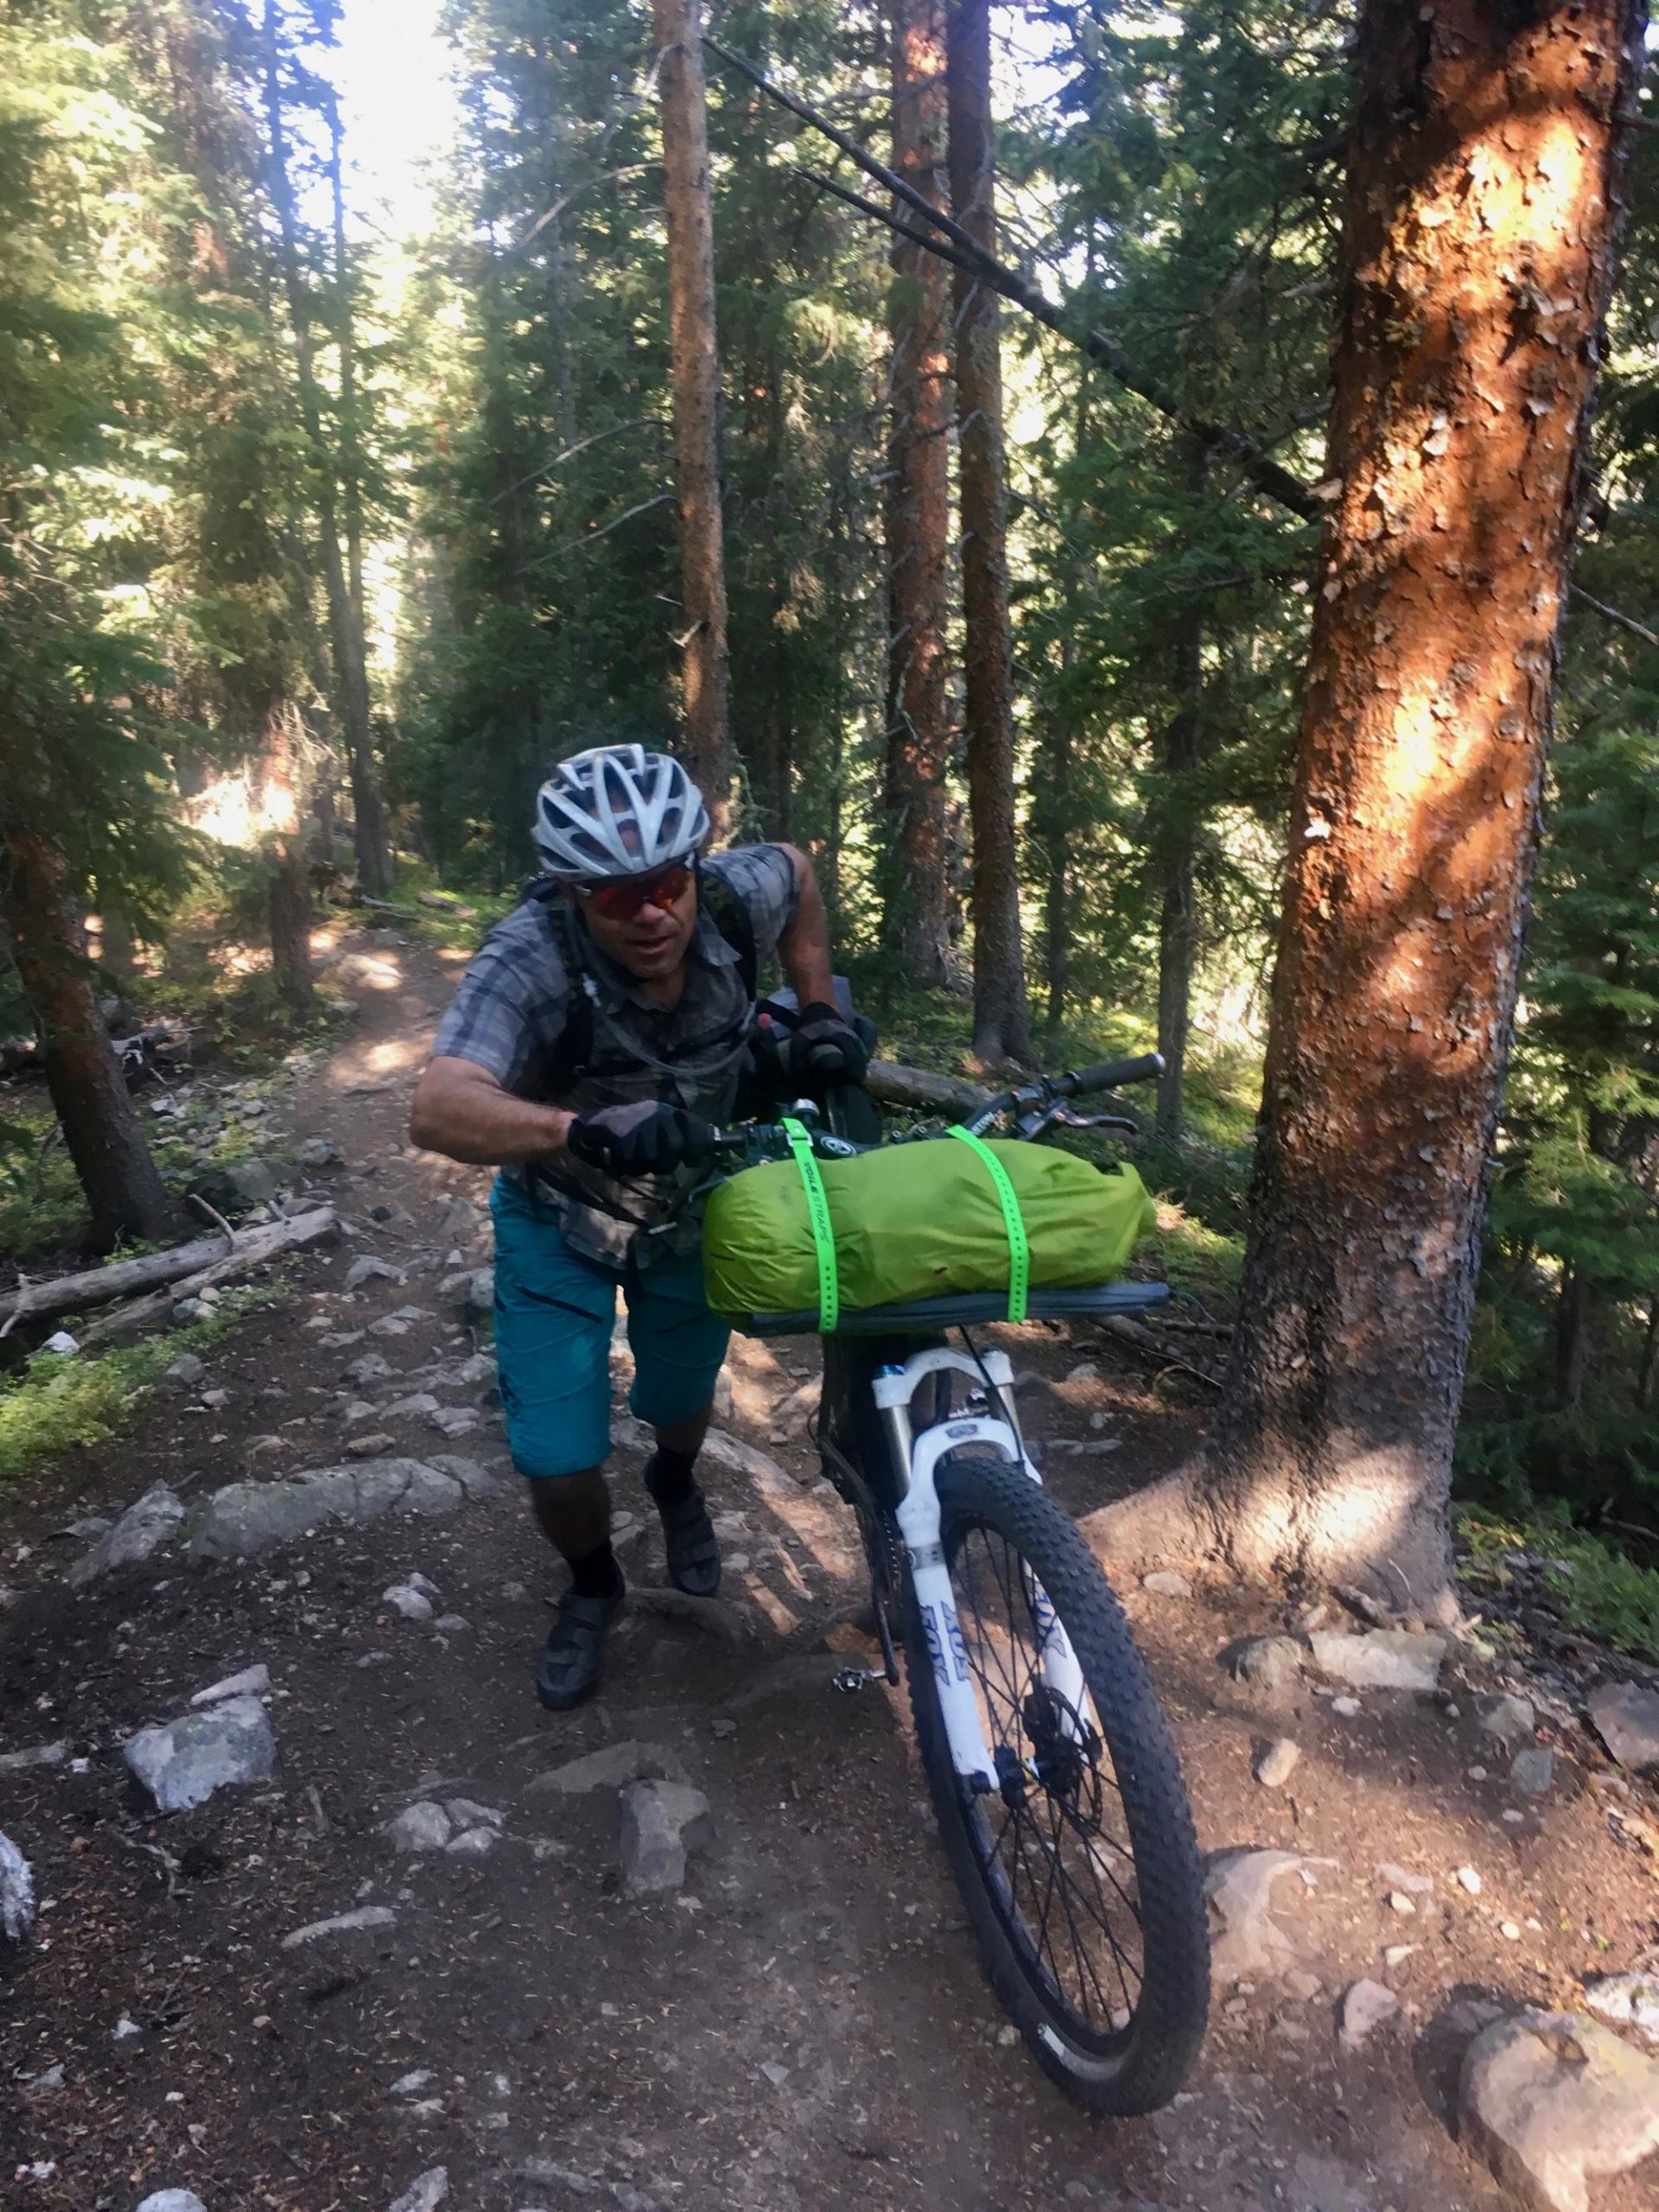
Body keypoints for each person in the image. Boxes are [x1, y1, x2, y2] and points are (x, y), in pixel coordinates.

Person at [409, 743, 868, 1710]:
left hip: (690, 1216)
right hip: (559, 1220)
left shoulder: (739, 897)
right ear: (573, 895)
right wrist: (574, 1128)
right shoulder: (528, 958)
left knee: (678, 1397)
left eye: (667, 883)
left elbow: (800, 868)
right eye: (618, 898)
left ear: (695, 870)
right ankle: (592, 1586)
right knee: (557, 1455)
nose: (653, 911)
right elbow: (438, 1106)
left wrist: (818, 1008)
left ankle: (674, 1480)